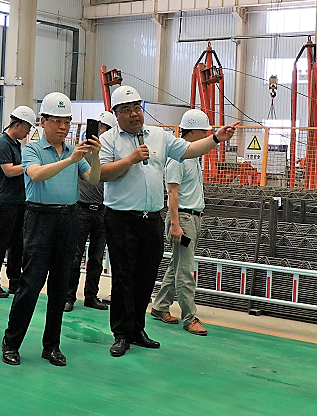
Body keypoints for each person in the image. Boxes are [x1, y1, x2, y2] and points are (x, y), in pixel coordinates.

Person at [99, 85, 237, 357]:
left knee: (146, 277)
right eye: (126, 110)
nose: (134, 114)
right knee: (124, 278)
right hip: (121, 219)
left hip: (151, 218)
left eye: (136, 108)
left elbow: (189, 150)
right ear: (116, 114)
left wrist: (216, 138)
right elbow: (102, 173)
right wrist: (130, 159)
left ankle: (137, 329)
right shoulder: (108, 140)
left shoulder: (159, 136)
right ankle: (122, 333)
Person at [1, 93, 101, 368]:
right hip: (39, 218)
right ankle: (11, 342)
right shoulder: (32, 149)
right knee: (31, 284)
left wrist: (94, 157)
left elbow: (93, 178)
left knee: (59, 285)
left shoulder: (74, 152)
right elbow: (35, 174)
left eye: (67, 121)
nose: (63, 127)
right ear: (43, 121)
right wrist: (70, 160)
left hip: (68, 218)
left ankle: (52, 346)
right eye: (57, 121)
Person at [151, 109, 212, 336]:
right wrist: (176, 225)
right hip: (183, 218)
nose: (206, 135)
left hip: (193, 217)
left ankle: (160, 306)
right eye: (203, 131)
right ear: (193, 131)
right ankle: (190, 317)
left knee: (177, 265)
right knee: (185, 271)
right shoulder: (178, 158)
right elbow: (172, 193)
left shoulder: (193, 157)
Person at [65, 110, 116, 312]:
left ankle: (91, 296)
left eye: (104, 128)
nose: (100, 132)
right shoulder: (82, 150)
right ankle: (69, 296)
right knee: (75, 255)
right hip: (81, 209)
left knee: (96, 257)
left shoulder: (111, 153)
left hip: (102, 210)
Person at [0, 105, 35, 298]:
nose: (28, 132)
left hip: (19, 201)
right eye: (27, 128)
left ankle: (15, 281)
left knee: (18, 245)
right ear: (18, 124)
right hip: (6, 202)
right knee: (0, 243)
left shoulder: (15, 144)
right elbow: (9, 170)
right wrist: (30, 166)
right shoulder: (2, 144)